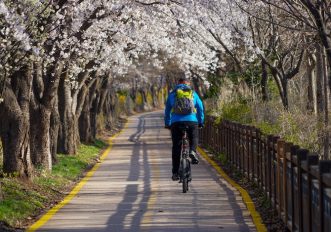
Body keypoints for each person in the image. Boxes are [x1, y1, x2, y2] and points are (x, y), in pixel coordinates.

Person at [164, 77, 204, 181]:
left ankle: (175, 173)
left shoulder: (172, 94)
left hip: (176, 122)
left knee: (176, 148)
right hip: (191, 121)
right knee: (194, 137)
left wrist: (167, 123)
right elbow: (200, 108)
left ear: (178, 83)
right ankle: (192, 151)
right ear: (188, 83)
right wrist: (200, 121)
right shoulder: (193, 93)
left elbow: (167, 111)